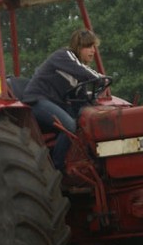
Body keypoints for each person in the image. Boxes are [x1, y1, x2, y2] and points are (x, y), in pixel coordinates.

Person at [22, 29, 107, 170]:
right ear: (78, 47)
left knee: (82, 121)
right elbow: (87, 74)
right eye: (88, 46)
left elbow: (81, 98)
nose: (93, 51)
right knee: (69, 126)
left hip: (55, 102)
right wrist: (101, 79)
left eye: (94, 47)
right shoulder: (64, 56)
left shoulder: (77, 72)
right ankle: (57, 167)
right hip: (38, 100)